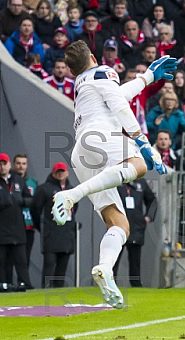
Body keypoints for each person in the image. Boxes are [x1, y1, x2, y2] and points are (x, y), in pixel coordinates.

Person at [51, 40, 177, 307]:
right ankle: (72, 194)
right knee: (140, 165)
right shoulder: (103, 72)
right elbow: (120, 107)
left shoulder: (84, 81)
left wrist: (148, 77)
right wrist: (143, 141)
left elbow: (118, 96)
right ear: (94, 57)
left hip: (80, 152)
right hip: (101, 136)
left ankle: (105, 269)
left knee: (120, 225)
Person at [0, 153, 33, 291]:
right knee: (2, 263)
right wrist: (1, 203)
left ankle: (25, 285)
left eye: (5, 164)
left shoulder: (18, 181)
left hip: (18, 228)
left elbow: (29, 199)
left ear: (10, 165)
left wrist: (20, 201)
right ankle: (3, 286)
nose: (2, 167)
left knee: (21, 260)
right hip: (0, 230)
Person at [31, 162, 76, 288]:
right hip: (51, 233)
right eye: (58, 171)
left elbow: (74, 209)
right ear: (53, 173)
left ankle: (59, 291)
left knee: (62, 267)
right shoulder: (44, 189)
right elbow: (35, 209)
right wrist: (42, 227)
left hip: (67, 234)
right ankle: (45, 290)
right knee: (49, 265)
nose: (60, 174)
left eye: (62, 171)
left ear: (67, 173)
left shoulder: (72, 190)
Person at [114, 178, 156, 287]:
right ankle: (111, 282)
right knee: (114, 256)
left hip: (136, 226)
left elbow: (152, 200)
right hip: (119, 225)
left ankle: (135, 283)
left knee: (135, 259)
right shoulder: (116, 183)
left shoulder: (140, 183)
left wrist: (149, 216)